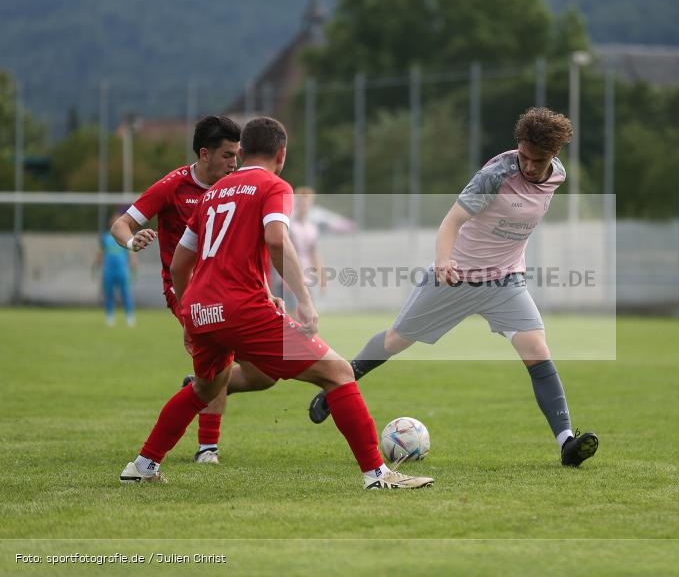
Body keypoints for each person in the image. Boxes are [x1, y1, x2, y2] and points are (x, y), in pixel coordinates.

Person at [119, 117, 432, 489]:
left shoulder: (212, 194)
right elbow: (277, 241)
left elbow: (179, 262)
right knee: (338, 373)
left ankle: (143, 465)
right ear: (281, 154)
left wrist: (190, 310)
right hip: (242, 308)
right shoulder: (274, 185)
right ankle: (378, 475)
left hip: (202, 310)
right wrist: (305, 301)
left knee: (205, 388)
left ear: (244, 151)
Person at [306, 107, 600, 468]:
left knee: (537, 349)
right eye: (523, 156)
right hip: (455, 276)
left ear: (553, 156)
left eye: (537, 160)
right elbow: (452, 221)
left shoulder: (557, 176)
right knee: (397, 339)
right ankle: (336, 386)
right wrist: (445, 261)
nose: (528, 165)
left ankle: (567, 443)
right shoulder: (494, 176)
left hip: (505, 279)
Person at [110, 115, 258, 464]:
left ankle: (198, 387)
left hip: (233, 288)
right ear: (205, 154)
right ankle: (207, 447)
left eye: (237, 155)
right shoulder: (173, 186)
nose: (234, 163)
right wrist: (131, 242)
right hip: (187, 292)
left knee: (264, 374)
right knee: (222, 359)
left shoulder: (237, 186)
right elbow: (121, 224)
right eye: (227, 155)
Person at [280, 186, 326, 308]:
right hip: (291, 276)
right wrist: (285, 276)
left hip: (307, 276)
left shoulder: (312, 228)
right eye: (301, 203)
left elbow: (314, 253)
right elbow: (283, 252)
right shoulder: (289, 225)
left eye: (307, 204)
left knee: (309, 313)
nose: (304, 207)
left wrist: (321, 277)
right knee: (293, 315)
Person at [95, 213, 137, 327]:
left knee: (126, 294)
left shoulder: (124, 236)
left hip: (122, 270)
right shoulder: (105, 238)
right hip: (108, 270)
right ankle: (110, 317)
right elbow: (100, 253)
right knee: (108, 294)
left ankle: (129, 317)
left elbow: (131, 252)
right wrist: (96, 265)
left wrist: (133, 265)